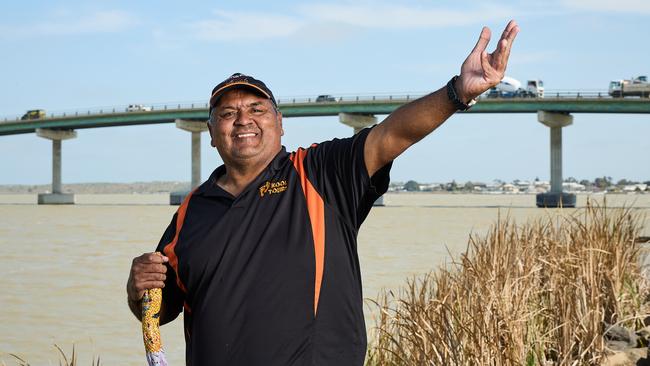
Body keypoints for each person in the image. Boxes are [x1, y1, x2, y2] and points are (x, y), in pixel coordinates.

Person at [127, 20, 519, 365]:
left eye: (257, 109)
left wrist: (457, 92)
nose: (243, 119)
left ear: (280, 124)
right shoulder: (189, 214)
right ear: (212, 134)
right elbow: (159, 311)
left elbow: (393, 134)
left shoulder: (320, 172)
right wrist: (136, 290)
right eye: (227, 114)